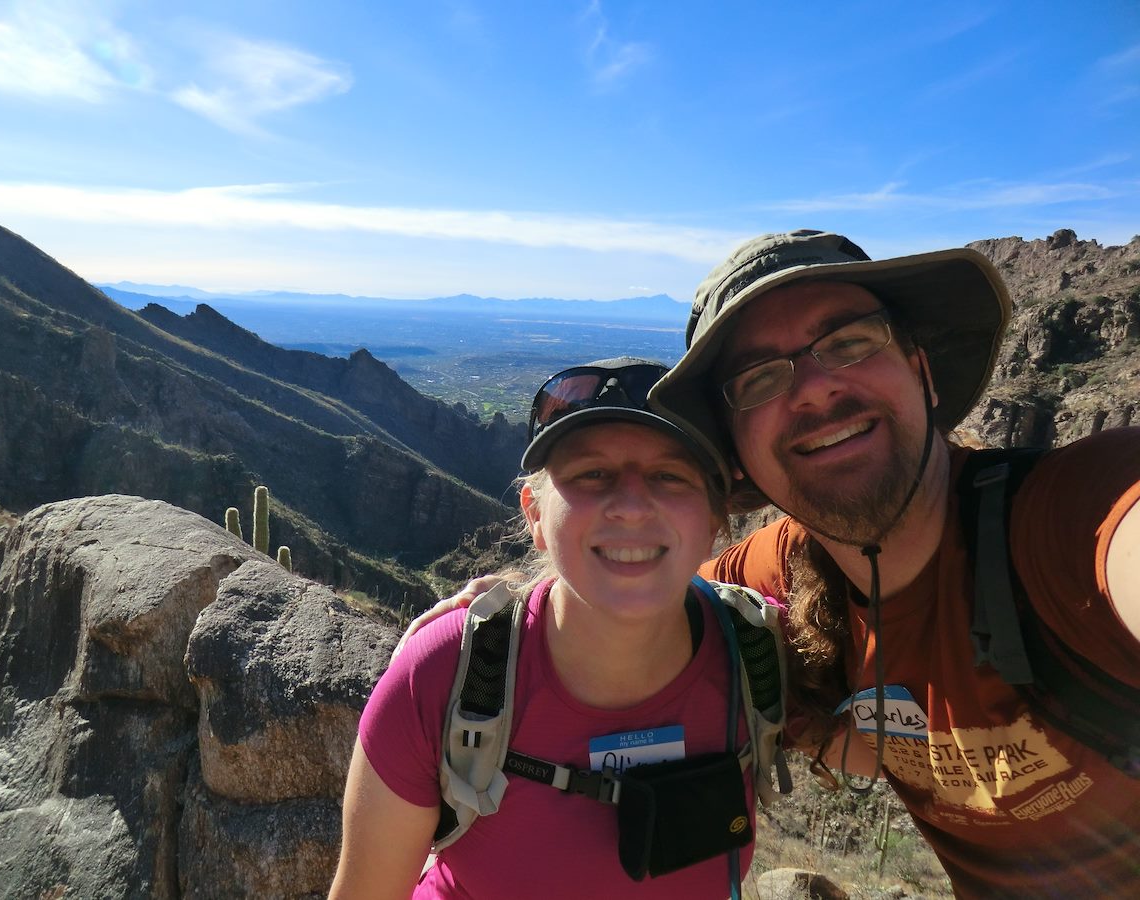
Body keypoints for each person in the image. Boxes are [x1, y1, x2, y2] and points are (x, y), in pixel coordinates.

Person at [407, 231, 1140, 898]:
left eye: (851, 342)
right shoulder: (774, 576)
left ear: (922, 371)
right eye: (760, 378)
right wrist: (508, 607)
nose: (816, 386)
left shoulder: (1073, 519)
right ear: (737, 452)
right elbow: (637, 583)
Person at [329, 357, 759, 899]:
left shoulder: (760, 657)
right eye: (592, 474)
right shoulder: (441, 678)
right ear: (534, 513)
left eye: (670, 475)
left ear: (716, 519)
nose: (630, 504)